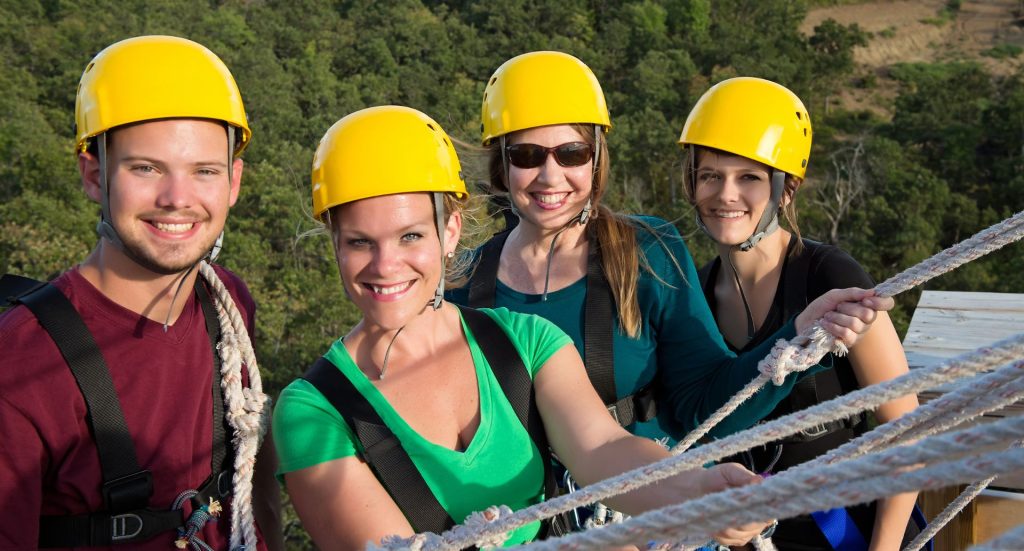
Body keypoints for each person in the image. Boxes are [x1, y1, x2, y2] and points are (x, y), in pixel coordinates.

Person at [272, 105, 774, 550]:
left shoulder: (525, 341)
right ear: (334, 244)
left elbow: (603, 449)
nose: (386, 265)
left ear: (449, 232)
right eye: (360, 242)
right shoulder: (315, 411)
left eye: (411, 236)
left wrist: (695, 491)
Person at [447, 51, 893, 449]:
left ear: (596, 159)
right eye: (526, 155)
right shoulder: (464, 284)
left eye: (571, 153)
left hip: (638, 512)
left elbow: (707, 406)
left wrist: (797, 338)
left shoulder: (646, 253)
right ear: (502, 166)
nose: (549, 175)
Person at [0, 36, 282, 550]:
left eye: (204, 171)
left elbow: (248, 465)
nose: (177, 199)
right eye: (145, 168)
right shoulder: (21, 366)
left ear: (234, 182)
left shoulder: (229, 306)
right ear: (93, 175)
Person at [679, 76, 922, 551]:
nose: (725, 194)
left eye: (748, 177)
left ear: (785, 190)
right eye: (710, 175)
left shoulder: (828, 277)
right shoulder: (697, 293)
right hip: (747, 534)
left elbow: (906, 434)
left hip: (845, 528)